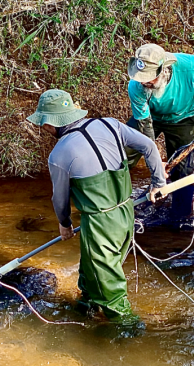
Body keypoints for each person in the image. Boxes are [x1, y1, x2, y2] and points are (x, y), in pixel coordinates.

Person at [26, 89, 167, 327]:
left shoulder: (59, 154)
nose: (43, 128)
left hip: (100, 225)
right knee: (92, 275)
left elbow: (59, 199)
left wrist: (65, 224)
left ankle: (131, 332)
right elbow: (149, 147)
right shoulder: (110, 125)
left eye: (43, 124)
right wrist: (158, 183)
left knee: (110, 291)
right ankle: (83, 311)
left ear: (51, 122)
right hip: (126, 212)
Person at [126, 44, 194, 225]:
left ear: (164, 70)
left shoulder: (188, 67)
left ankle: (181, 216)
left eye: (149, 79)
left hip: (182, 117)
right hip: (150, 117)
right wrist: (155, 162)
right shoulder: (136, 87)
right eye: (141, 78)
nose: (144, 83)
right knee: (123, 152)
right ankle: (115, 199)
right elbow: (146, 128)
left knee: (182, 170)